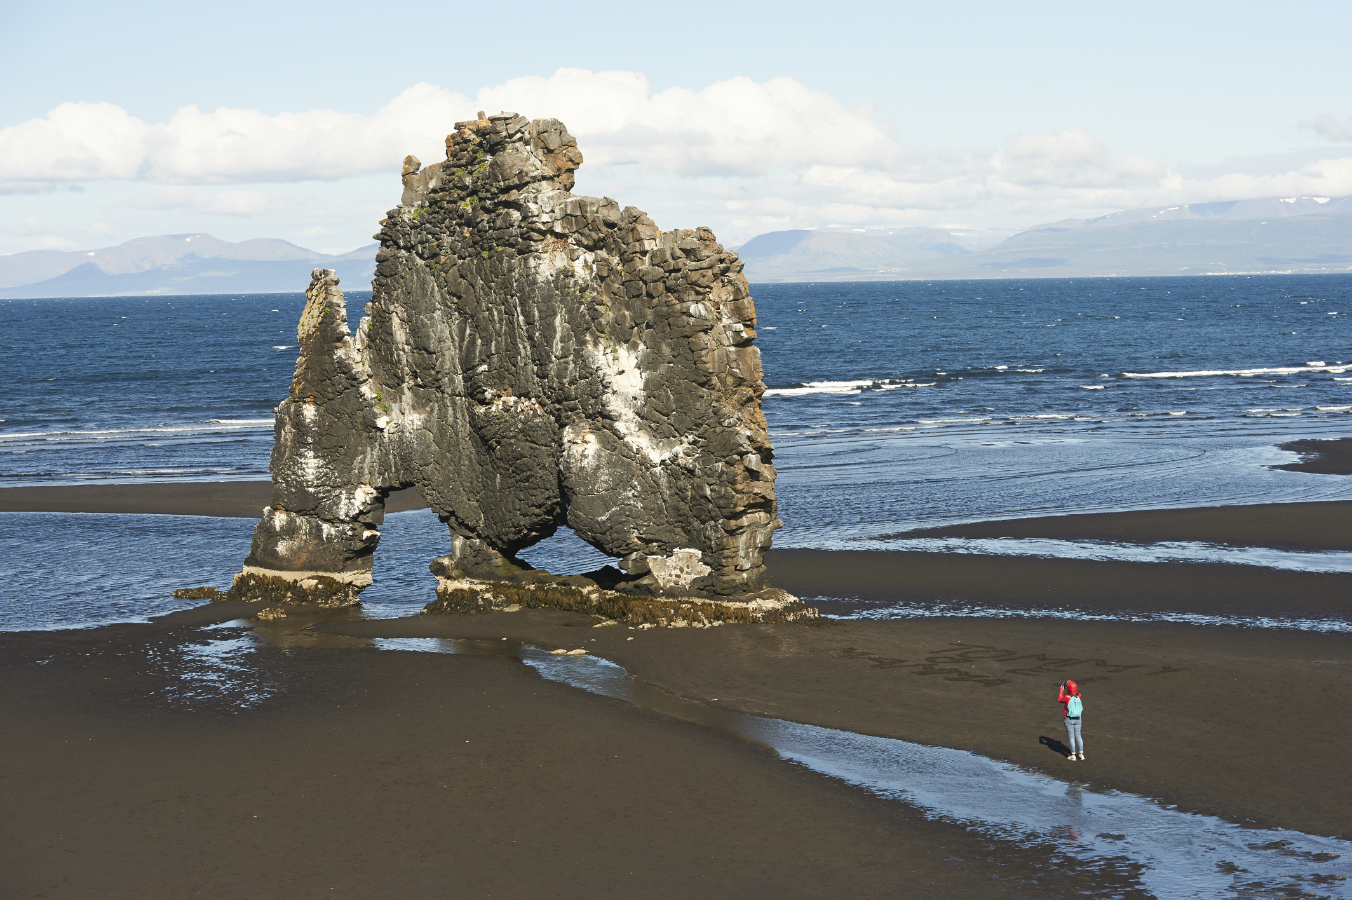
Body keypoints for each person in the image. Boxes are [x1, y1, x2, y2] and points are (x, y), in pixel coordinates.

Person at [1058, 679, 1084, 761]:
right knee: (1078, 736)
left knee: (1071, 737)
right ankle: (1081, 754)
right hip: (1078, 718)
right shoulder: (1079, 696)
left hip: (1068, 719)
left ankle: (1073, 755)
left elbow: (1059, 699)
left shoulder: (1067, 697)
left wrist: (1062, 689)